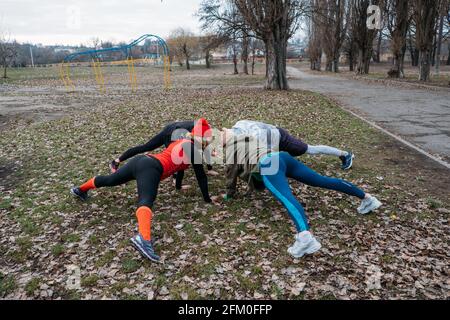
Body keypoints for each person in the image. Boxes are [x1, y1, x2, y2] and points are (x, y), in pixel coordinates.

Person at [70, 118, 214, 262]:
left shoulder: (181, 142)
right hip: (152, 168)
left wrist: (178, 187)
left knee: (109, 180)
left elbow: (179, 166)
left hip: (141, 161)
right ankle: (143, 239)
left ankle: (80, 189)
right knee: (146, 199)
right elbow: (201, 177)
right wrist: (208, 200)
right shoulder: (193, 150)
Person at [258, 151, 381, 258]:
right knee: (321, 180)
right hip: (281, 156)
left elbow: (243, 173)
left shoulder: (238, 145)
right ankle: (367, 198)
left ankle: (304, 238)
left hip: (267, 163)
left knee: (286, 198)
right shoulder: (248, 133)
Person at [223, 120, 354, 170]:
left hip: (282, 139)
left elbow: (267, 151)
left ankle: (345, 154)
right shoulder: (239, 124)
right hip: (274, 135)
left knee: (310, 149)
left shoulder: (254, 136)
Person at [109, 120, 214, 175]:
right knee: (178, 156)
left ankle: (117, 160)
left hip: (171, 127)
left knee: (146, 147)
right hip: (172, 133)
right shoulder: (200, 134)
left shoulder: (204, 128)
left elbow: (206, 148)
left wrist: (209, 169)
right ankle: (175, 180)